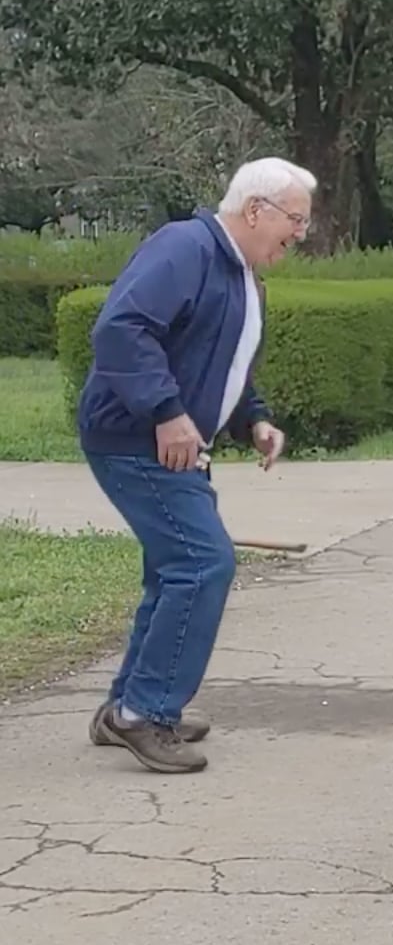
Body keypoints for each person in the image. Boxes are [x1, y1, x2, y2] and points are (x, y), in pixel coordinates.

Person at [78, 157, 315, 773]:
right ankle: (144, 714)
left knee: (173, 569)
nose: (300, 234)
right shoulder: (185, 248)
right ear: (256, 209)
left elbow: (224, 361)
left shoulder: (239, 273)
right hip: (134, 438)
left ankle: (126, 708)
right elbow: (121, 329)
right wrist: (165, 412)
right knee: (202, 562)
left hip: (169, 440)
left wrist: (252, 419)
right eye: (296, 220)